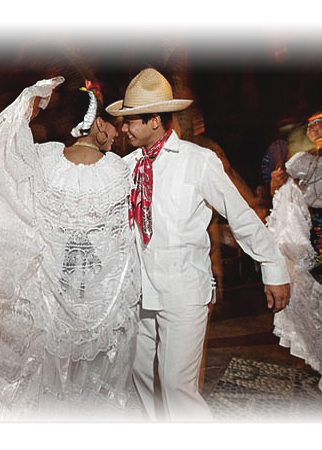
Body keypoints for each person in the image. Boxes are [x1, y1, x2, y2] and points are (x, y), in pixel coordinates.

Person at [0, 77, 142, 421]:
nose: (116, 133)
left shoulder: (43, 163)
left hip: (50, 307)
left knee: (49, 393)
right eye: (112, 125)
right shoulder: (119, 171)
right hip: (103, 305)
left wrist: (25, 108)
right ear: (97, 122)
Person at [106, 68, 291, 421]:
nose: (124, 128)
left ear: (155, 120)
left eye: (131, 121)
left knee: (177, 387)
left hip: (184, 291)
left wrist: (273, 267)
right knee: (141, 380)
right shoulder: (125, 167)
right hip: (137, 294)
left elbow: (239, 215)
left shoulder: (197, 160)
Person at [267, 111, 322, 390]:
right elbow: (293, 191)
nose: (314, 129)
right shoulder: (305, 162)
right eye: (311, 125)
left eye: (318, 124)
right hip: (315, 239)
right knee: (314, 298)